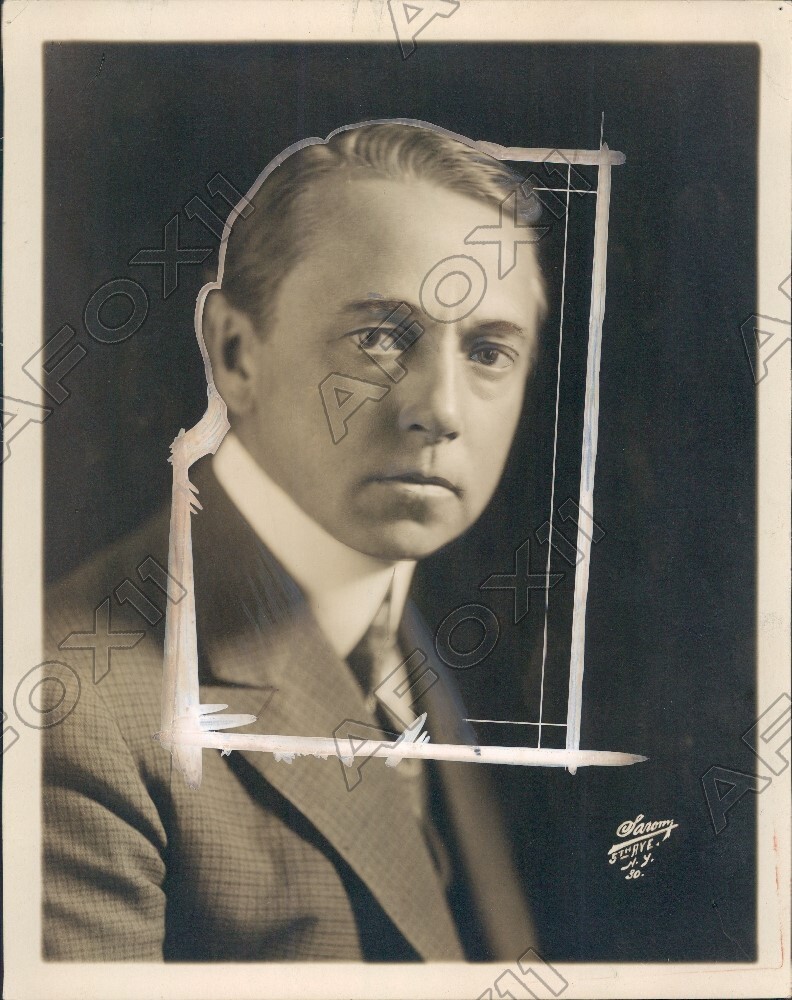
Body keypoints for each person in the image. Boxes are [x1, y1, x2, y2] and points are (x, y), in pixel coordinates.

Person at [42, 121, 547, 962]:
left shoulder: (409, 635)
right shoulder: (74, 716)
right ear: (236, 354)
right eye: (381, 337)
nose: (442, 410)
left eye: (489, 351)